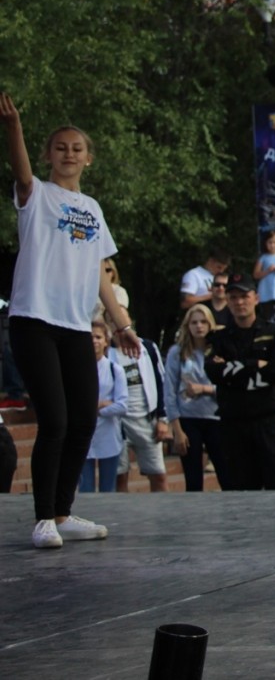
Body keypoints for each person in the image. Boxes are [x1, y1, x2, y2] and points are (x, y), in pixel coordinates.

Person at [3, 93, 141, 549]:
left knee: (84, 418)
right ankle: (43, 519)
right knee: (56, 421)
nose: (68, 154)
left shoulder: (94, 210)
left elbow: (101, 274)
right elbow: (20, 171)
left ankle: (63, 512)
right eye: (60, 147)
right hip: (33, 320)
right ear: (48, 155)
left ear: (89, 158)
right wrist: (14, 127)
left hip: (76, 327)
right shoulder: (37, 196)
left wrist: (122, 325)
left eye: (76, 148)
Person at [206, 274, 275, 491]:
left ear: (256, 298)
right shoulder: (218, 339)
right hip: (234, 422)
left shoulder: (274, 332)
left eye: (244, 296)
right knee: (239, 490)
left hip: (268, 421)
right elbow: (214, 373)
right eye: (233, 297)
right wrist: (256, 365)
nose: (239, 302)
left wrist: (234, 369)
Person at [163, 304, 226, 492]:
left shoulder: (219, 350)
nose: (199, 326)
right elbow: (170, 391)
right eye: (194, 322)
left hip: (217, 417)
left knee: (226, 474)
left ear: (210, 324)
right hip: (188, 418)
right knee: (193, 480)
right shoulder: (177, 352)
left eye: (203, 321)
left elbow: (229, 386)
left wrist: (204, 389)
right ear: (187, 325)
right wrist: (176, 429)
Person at [109, 327, 170, 492]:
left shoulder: (147, 348)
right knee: (120, 476)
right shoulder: (106, 352)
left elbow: (161, 381)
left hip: (146, 419)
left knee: (158, 474)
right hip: (117, 422)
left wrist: (162, 418)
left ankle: (163, 513)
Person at [80, 321, 127, 493]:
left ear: (106, 341)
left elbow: (122, 405)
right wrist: (102, 405)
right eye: (90, 337)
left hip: (109, 436)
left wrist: (96, 409)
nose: (94, 341)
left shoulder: (115, 370)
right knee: (85, 488)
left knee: (109, 488)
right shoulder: (77, 370)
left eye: (98, 337)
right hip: (85, 436)